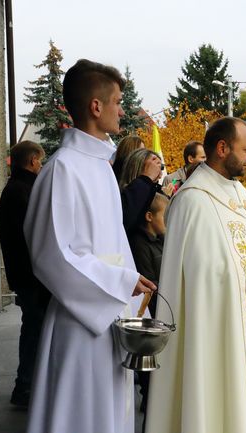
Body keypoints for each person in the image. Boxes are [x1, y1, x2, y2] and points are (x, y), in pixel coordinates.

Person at [23, 59, 156, 433]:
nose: (122, 110)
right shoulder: (62, 168)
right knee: (81, 418)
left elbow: (113, 243)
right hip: (80, 322)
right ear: (95, 107)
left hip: (111, 315)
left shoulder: (100, 167)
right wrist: (117, 283)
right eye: (116, 101)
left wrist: (134, 301)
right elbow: (51, 256)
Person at [146, 117, 246, 433]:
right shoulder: (192, 200)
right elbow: (202, 271)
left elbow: (237, 247)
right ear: (223, 148)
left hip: (245, 328)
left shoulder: (239, 193)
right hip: (215, 333)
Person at [0, 140, 50, 408]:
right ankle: (25, 387)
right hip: (31, 277)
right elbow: (33, 236)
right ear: (31, 161)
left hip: (26, 275)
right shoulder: (23, 191)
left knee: (34, 329)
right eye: (40, 161)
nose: (41, 165)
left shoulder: (17, 188)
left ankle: (29, 385)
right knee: (33, 331)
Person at [127, 192, 168, 427]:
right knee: (149, 372)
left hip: (160, 310)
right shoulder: (139, 243)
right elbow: (148, 281)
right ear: (149, 216)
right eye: (165, 216)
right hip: (150, 315)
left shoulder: (161, 240)